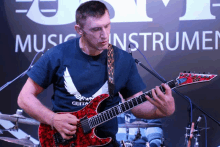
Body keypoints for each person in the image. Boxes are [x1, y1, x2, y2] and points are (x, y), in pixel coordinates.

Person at [17, 1, 175, 147]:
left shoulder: (122, 60)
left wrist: (160, 111)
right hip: (63, 140)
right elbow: (24, 97)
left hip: (105, 142)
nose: (104, 35)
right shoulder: (58, 55)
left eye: (107, 26)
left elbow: (137, 106)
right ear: (79, 30)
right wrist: (52, 119)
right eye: (96, 29)